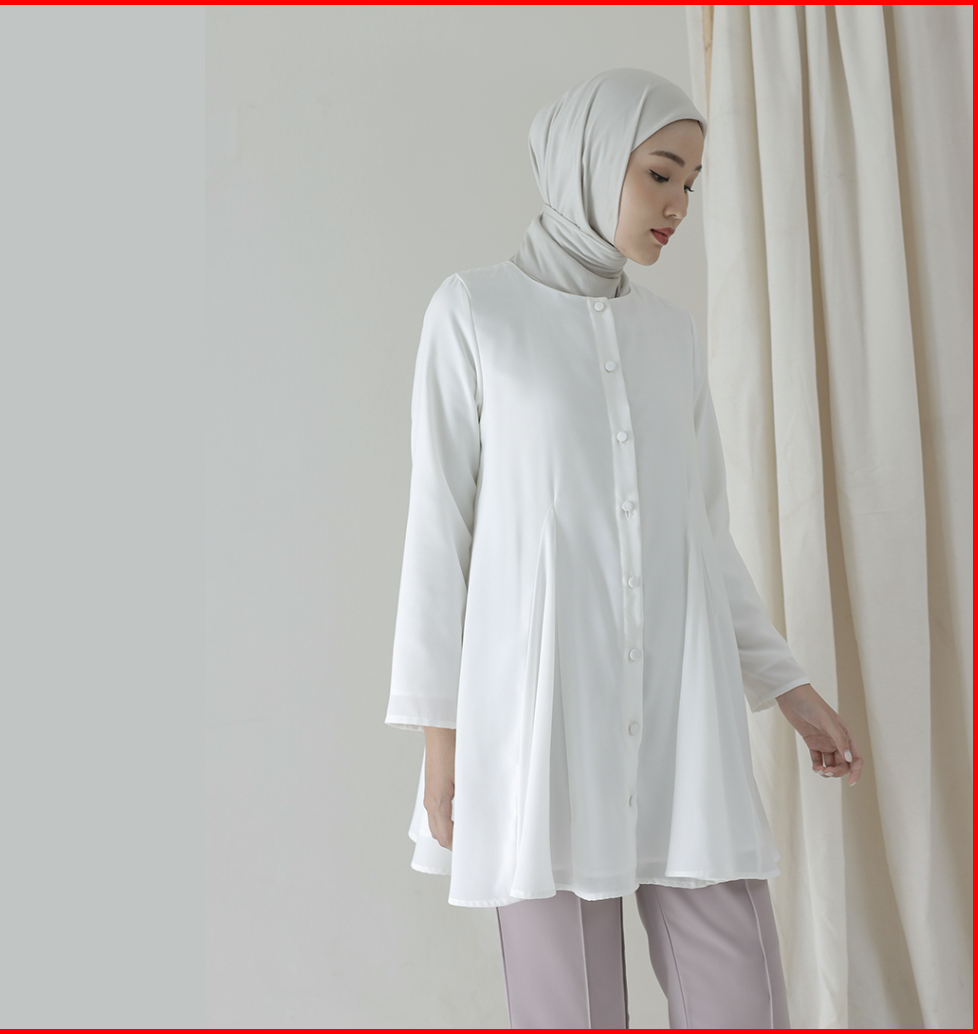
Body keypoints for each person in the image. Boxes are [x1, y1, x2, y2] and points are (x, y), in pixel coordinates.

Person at [385, 68, 863, 1030]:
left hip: (683, 717)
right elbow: (440, 536)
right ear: (591, 161)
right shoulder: (474, 313)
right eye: (660, 174)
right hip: (539, 729)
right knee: (571, 1010)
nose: (678, 204)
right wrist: (443, 744)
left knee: (743, 1002)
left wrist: (789, 686)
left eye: (691, 182)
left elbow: (704, 538)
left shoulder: (671, 337)